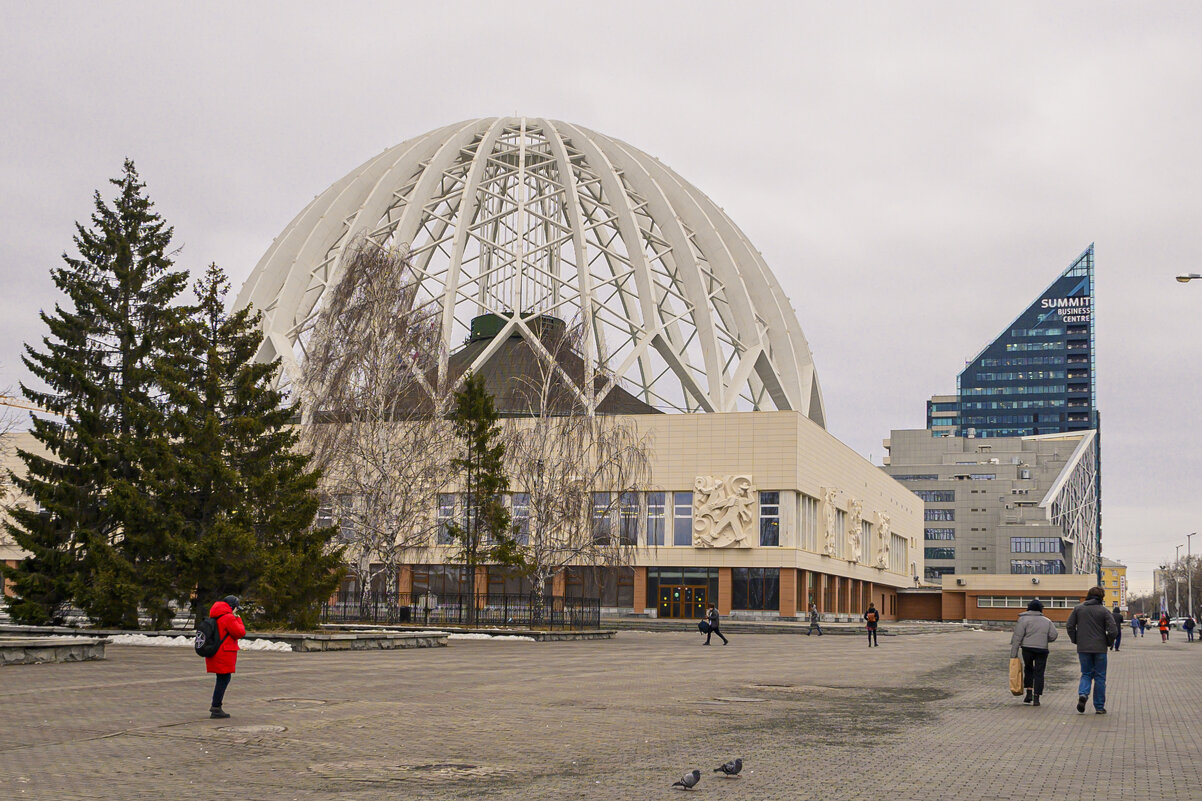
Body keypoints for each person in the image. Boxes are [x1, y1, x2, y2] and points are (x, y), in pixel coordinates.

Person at [1066, 586, 1118, 714]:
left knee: (1086, 673)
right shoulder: (1104, 611)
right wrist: (1108, 642)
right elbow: (1113, 631)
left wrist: (1076, 639)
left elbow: (1069, 625)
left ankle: (1083, 694)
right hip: (1100, 649)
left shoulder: (1078, 609)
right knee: (1100, 677)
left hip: (1083, 648)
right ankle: (1099, 707)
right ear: (1102, 597)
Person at [204, 595, 246, 719]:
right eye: (236, 608)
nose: (237, 611)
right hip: (224, 653)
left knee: (222, 679)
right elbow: (240, 632)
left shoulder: (215, 615)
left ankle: (216, 706)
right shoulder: (228, 618)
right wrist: (237, 619)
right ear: (232, 607)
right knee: (223, 679)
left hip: (216, 652)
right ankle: (216, 707)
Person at [1010, 599, 1058, 707]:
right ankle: (1036, 697)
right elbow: (1053, 635)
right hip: (1042, 649)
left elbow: (1017, 637)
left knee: (1028, 669)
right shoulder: (1047, 621)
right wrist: (1044, 639)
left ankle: (1028, 694)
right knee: (1039, 672)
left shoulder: (1023, 620)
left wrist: (1013, 654)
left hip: (1027, 649)